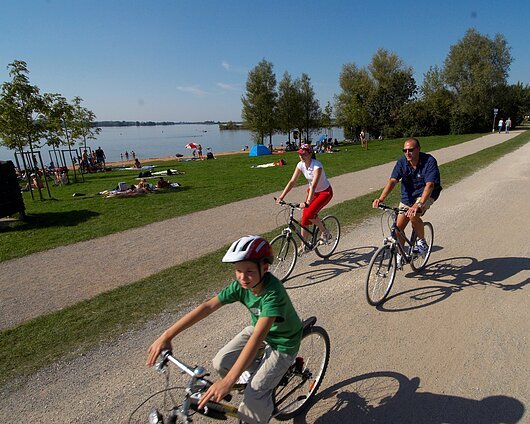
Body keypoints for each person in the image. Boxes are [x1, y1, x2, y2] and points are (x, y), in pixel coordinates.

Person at [146, 235, 303, 424]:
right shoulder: (242, 285)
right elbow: (207, 307)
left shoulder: (273, 294)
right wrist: (167, 335)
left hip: (283, 343)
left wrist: (229, 381)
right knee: (220, 362)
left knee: (255, 394)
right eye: (238, 270)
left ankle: (257, 403)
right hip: (261, 333)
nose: (242, 277)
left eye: (249, 271)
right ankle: (257, 379)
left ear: (265, 268)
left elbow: (256, 339)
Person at [372, 137, 442, 265]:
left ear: (418, 149)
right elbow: (393, 181)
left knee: (414, 214)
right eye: (405, 150)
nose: (407, 153)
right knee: (398, 228)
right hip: (408, 197)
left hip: (427, 194)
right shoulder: (402, 162)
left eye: (410, 150)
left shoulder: (429, 161)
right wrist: (381, 198)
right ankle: (400, 254)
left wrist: (418, 204)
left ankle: (422, 242)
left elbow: (430, 185)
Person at [277, 143, 334, 255]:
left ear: (310, 154)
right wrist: (281, 196)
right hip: (312, 193)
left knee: (309, 214)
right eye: (300, 154)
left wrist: (307, 202)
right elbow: (292, 182)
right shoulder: (300, 165)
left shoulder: (317, 166)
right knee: (304, 219)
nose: (301, 156)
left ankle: (325, 232)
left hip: (324, 192)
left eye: (304, 154)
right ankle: (304, 245)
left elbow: (313, 184)